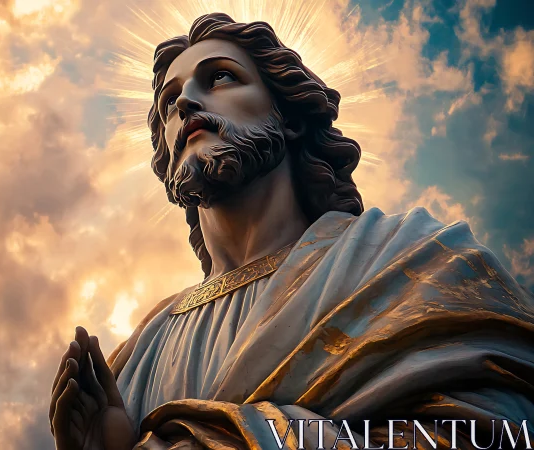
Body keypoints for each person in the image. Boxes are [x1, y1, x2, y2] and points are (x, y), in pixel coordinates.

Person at [49, 13, 534, 450]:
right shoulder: (135, 357)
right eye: (170, 103)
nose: (187, 102)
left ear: (290, 116)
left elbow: (501, 430)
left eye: (220, 77)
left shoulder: (413, 263)